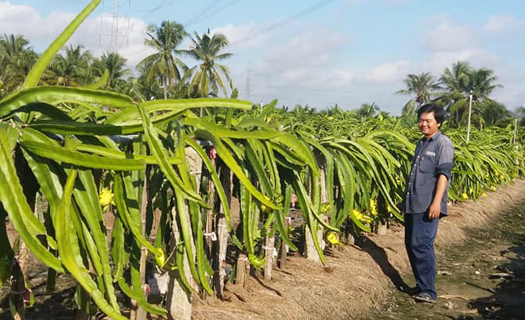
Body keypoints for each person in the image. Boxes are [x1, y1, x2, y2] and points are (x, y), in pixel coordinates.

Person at [402, 104, 454, 303]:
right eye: (421, 120)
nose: (423, 124)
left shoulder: (443, 144)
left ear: (438, 123)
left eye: (428, 121)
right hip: (413, 203)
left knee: (421, 245)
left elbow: (444, 175)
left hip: (428, 205)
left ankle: (429, 292)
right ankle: (421, 285)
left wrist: (436, 203)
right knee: (411, 244)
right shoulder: (422, 143)